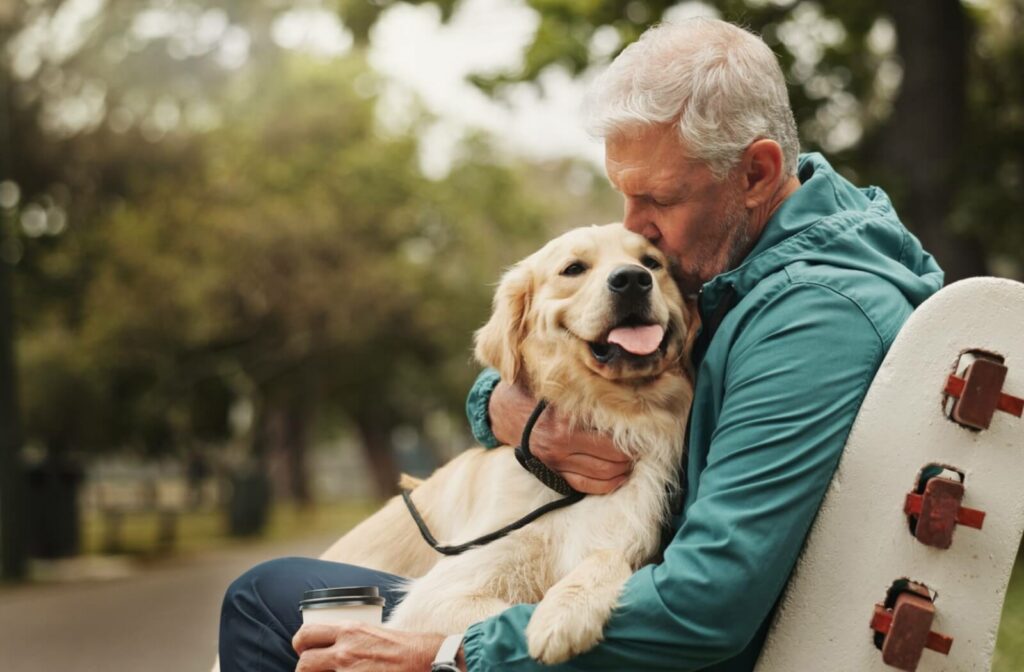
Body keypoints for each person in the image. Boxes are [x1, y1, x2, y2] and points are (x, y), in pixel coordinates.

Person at [218, 17, 944, 671]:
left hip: (656, 646)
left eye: (658, 199)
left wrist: (450, 652)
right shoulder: (743, 267)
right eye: (624, 195)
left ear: (755, 172)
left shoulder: (809, 321)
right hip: (618, 617)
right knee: (282, 592)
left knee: (263, 604)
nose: (636, 227)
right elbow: (547, 357)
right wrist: (508, 412)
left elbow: (708, 602)